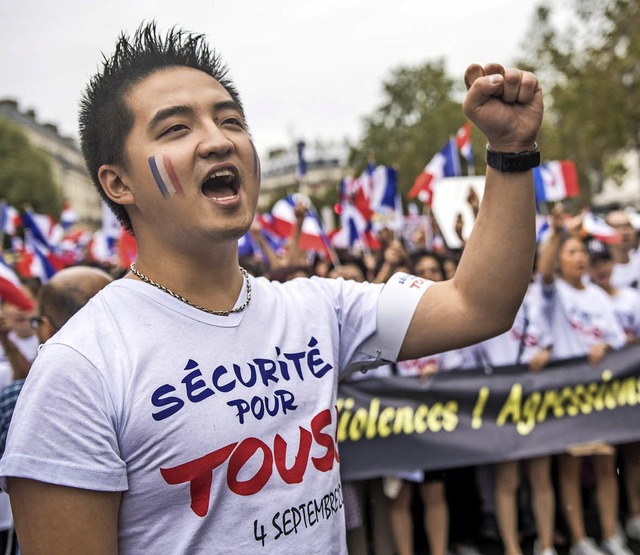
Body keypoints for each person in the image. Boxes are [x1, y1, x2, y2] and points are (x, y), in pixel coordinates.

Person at [0, 22, 543, 554]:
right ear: (117, 182)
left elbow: (478, 305)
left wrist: (511, 152)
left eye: (230, 120)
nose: (218, 140)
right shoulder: (79, 369)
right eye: (175, 129)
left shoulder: (317, 308)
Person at [537, 215, 632, 555]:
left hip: (601, 395)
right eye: (572, 252)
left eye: (582, 252)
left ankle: (611, 535)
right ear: (560, 259)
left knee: (607, 463)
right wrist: (558, 234)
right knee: (571, 469)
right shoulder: (553, 292)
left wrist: (606, 346)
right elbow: (544, 273)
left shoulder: (597, 296)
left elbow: (618, 341)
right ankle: (579, 539)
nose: (580, 258)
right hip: (568, 394)